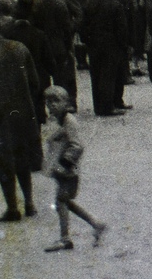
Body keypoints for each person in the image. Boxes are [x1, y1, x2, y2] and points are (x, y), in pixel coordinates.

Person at [42, 84, 106, 252]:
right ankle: (95, 223)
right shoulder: (62, 120)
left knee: (62, 201)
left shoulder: (69, 121)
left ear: (66, 102)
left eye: (55, 102)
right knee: (64, 202)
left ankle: (66, 238)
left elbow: (77, 146)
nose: (51, 106)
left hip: (68, 171)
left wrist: (64, 164)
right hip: (63, 170)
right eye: (48, 103)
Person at [0, 13, 41, 220]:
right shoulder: (19, 47)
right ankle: (30, 203)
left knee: (4, 160)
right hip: (23, 112)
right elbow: (35, 82)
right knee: (22, 156)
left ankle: (12, 207)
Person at [81, 0, 132, 117]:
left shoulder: (89, 3)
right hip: (111, 45)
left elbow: (83, 25)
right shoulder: (115, 4)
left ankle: (98, 106)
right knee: (109, 75)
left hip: (94, 44)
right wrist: (124, 45)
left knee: (96, 75)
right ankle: (109, 106)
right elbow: (121, 28)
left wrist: (87, 41)